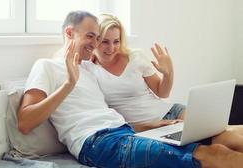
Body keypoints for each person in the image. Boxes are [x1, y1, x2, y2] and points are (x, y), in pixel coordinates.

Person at [18, 10, 243, 168]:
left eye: (97, 37)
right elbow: (25, 122)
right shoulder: (46, 66)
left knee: (225, 140)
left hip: (124, 132)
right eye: (91, 36)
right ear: (69, 33)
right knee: (215, 154)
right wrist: (68, 85)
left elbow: (106, 118)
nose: (96, 44)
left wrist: (151, 125)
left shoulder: (88, 70)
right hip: (98, 144)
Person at [86, 13, 184, 132]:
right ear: (95, 40)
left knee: (212, 132)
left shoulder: (135, 57)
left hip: (170, 113)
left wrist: (168, 73)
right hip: (142, 128)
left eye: (116, 41)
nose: (111, 48)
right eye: (105, 42)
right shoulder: (88, 68)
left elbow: (162, 93)